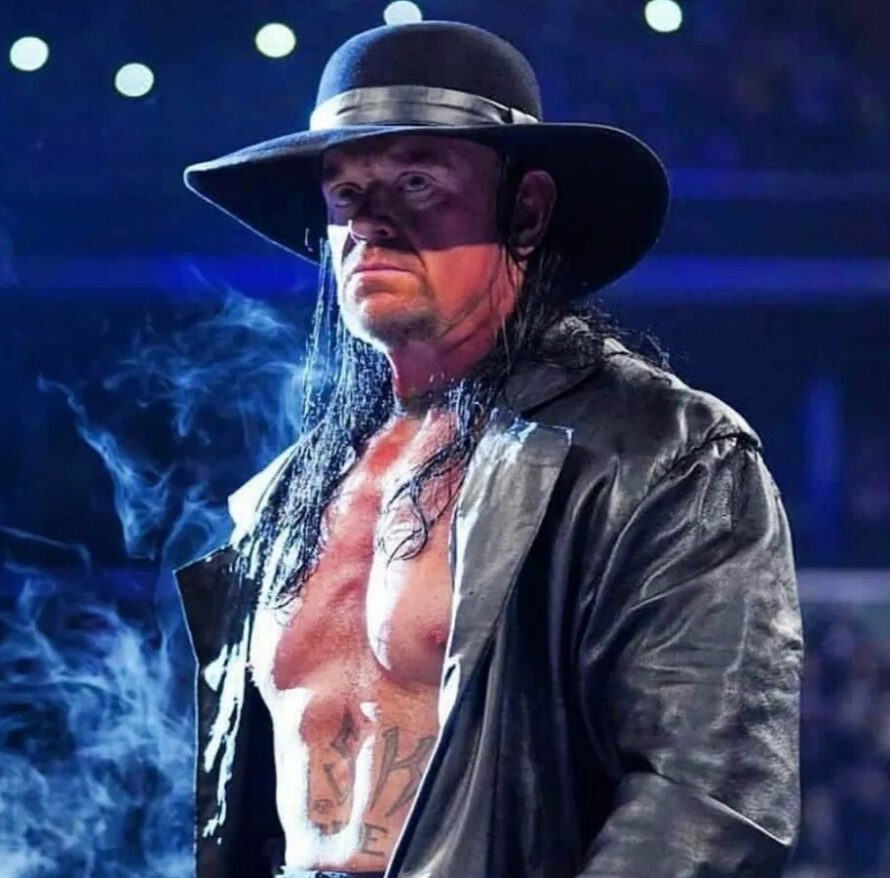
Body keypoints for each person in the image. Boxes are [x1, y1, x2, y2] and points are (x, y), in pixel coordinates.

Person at [176, 20, 803, 878]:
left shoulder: (664, 452)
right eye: (346, 192)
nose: (370, 222)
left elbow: (706, 796)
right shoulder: (290, 492)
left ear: (527, 209)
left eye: (417, 182)